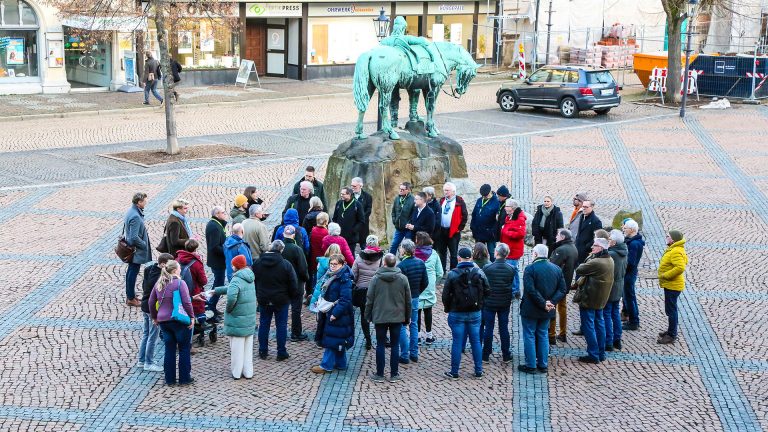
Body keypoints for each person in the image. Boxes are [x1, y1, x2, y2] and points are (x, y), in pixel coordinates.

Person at [518, 244, 567, 374]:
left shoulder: (530, 269)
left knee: (529, 335)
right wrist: (551, 302)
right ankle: (543, 364)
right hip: (547, 310)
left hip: (532, 309)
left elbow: (531, 290)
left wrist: (544, 303)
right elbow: (562, 289)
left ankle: (531, 365)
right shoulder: (556, 269)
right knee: (543, 334)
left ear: (535, 254)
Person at [442, 247, 490, 379]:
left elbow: (445, 295)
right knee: (476, 341)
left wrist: (448, 308)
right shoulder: (478, 272)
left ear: (459, 258)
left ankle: (454, 372)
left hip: (457, 312)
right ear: (471, 258)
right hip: (475, 312)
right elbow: (487, 290)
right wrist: (480, 304)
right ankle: (478, 370)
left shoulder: (452, 274)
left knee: (457, 342)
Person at [365, 253, 412, 383]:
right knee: (395, 345)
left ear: (384, 263)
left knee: (380, 344)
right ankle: (394, 374)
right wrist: (407, 317)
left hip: (380, 316)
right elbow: (408, 301)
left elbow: (369, 299)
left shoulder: (376, 279)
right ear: (395, 263)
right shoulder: (403, 279)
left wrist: (367, 315)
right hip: (397, 317)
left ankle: (380, 374)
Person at [149, 260, 195, 385]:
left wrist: (154, 317)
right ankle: (184, 378)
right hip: (178, 320)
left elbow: (151, 302)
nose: (180, 270)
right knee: (184, 349)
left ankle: (170, 379)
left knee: (169, 349)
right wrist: (191, 316)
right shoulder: (180, 283)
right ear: (175, 270)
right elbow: (186, 302)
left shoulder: (159, 283)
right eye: (179, 268)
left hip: (164, 321)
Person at [212, 255, 256, 379]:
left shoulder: (236, 279)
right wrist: (216, 291)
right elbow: (232, 289)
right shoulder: (249, 277)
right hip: (248, 318)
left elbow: (232, 297)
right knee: (247, 348)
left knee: (237, 349)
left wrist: (228, 310)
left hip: (237, 319)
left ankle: (236, 372)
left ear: (236, 266)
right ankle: (248, 372)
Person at [254, 241, 299, 360]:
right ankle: (281, 352)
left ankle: (263, 350)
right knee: (281, 326)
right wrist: (291, 296)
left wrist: (258, 294)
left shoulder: (258, 262)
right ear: (281, 250)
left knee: (264, 324)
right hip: (281, 299)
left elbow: (255, 280)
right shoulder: (286, 264)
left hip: (264, 298)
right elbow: (293, 284)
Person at [311, 254, 355, 374]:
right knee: (338, 338)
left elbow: (345, 299)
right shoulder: (332, 275)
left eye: (335, 264)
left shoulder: (344, 279)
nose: (333, 266)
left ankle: (326, 365)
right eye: (331, 264)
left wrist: (335, 313)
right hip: (334, 311)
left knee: (332, 339)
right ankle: (341, 363)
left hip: (339, 314)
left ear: (342, 264)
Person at [573, 238, 614, 364]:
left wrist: (591, 257)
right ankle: (601, 353)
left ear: (601, 248)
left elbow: (579, 269)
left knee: (588, 326)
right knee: (599, 325)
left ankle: (593, 354)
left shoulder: (596, 262)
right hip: (601, 299)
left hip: (590, 298)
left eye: (595, 245)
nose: (592, 247)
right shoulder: (610, 259)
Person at [481, 243, 517, 363]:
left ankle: (485, 355)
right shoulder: (511, 269)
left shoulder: (487, 268)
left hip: (489, 303)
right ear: (507, 254)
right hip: (504, 303)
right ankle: (506, 354)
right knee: (504, 329)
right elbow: (511, 285)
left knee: (488, 329)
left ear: (496, 253)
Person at [138, 253, 173, 372]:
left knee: (146, 334)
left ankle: (142, 360)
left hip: (145, 305)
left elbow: (144, 286)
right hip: (152, 308)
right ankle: (148, 362)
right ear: (162, 264)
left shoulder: (149, 269)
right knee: (152, 337)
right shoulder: (159, 277)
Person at [397, 239, 428, 364]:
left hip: (404, 299)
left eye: (401, 247)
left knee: (402, 325)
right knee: (414, 324)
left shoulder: (401, 266)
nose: (399, 249)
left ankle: (404, 355)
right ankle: (414, 353)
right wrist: (417, 293)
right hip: (415, 297)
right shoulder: (420, 263)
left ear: (404, 250)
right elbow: (425, 282)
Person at [351, 235, 384, 350]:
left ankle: (368, 340)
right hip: (375, 291)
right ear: (377, 244)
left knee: (364, 316)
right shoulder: (381, 258)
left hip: (362, 291)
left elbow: (353, 275)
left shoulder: (359, 258)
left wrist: (356, 283)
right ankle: (381, 338)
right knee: (377, 315)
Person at [657, 230, 688, 345]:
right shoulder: (674, 248)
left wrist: (666, 275)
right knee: (670, 310)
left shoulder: (675, 251)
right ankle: (671, 331)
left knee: (671, 311)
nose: (666, 237)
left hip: (673, 285)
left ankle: (671, 335)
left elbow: (680, 267)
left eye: (668, 236)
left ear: (673, 239)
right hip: (671, 285)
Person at [548, 228, 578, 344]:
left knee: (552, 307)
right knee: (562, 307)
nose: (556, 237)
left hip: (557, 284)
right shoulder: (573, 247)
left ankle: (551, 335)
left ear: (563, 237)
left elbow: (552, 266)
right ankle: (563, 333)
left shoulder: (561, 250)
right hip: (566, 282)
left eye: (557, 235)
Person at [176, 239, 208, 346]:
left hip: (180, 291)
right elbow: (203, 281)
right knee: (196, 313)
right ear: (196, 249)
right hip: (195, 292)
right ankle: (198, 334)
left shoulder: (178, 259)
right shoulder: (196, 263)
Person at [281, 225, 310, 342]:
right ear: (293, 235)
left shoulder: (280, 248)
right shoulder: (297, 249)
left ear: (283, 234)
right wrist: (306, 279)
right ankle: (296, 333)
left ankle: (281, 332)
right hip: (297, 283)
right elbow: (303, 269)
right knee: (296, 309)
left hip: (282, 283)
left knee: (282, 309)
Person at [414, 231, 443, 345]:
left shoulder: (413, 253)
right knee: (428, 310)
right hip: (429, 285)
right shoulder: (434, 254)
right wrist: (434, 281)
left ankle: (417, 336)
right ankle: (429, 336)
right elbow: (440, 273)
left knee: (417, 311)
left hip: (416, 284)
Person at [124, 192, 151, 307]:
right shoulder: (135, 216)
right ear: (139, 202)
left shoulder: (132, 211)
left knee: (131, 271)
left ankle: (131, 295)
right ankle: (130, 298)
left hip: (134, 249)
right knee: (132, 273)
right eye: (144, 201)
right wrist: (143, 245)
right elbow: (134, 237)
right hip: (136, 250)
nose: (146, 202)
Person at [312, 243, 342, 346]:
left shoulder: (321, 262)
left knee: (321, 316)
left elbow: (317, 275)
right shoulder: (337, 265)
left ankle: (318, 339)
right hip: (332, 292)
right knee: (330, 316)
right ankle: (327, 338)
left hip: (321, 290)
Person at [435, 182, 468, 271]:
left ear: (453, 191)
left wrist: (459, 229)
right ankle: (442, 271)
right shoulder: (442, 200)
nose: (445, 192)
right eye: (444, 190)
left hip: (453, 232)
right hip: (442, 231)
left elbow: (464, 216)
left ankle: (453, 271)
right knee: (442, 252)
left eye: (447, 190)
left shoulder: (459, 201)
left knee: (453, 254)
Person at [605, 229, 627, 351]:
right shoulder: (624, 251)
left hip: (611, 287)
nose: (608, 241)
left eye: (609, 240)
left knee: (607, 314)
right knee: (615, 313)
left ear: (613, 242)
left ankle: (608, 341)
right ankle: (617, 339)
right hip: (619, 286)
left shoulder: (612, 254)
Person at [622, 219, 645, 331]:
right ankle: (633, 319)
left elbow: (631, 262)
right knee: (630, 297)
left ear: (631, 230)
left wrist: (622, 268)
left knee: (629, 298)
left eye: (625, 228)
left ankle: (634, 321)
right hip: (630, 273)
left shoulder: (634, 244)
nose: (623, 229)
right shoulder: (633, 242)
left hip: (629, 275)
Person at [499, 198, 525, 296]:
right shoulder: (510, 216)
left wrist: (505, 231)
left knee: (512, 270)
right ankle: (515, 289)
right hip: (509, 248)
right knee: (513, 270)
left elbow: (520, 234)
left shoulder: (519, 218)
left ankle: (514, 291)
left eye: (507, 206)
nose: (505, 208)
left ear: (512, 208)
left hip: (513, 250)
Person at [205, 206, 228, 316]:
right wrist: (226, 251)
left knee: (218, 283)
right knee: (219, 284)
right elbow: (214, 247)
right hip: (217, 261)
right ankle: (211, 306)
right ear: (217, 214)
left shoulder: (216, 224)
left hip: (218, 261)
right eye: (223, 212)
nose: (225, 214)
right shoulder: (214, 227)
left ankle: (211, 305)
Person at [470, 184, 500, 259]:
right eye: (483, 196)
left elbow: (498, 218)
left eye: (486, 195)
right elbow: (474, 214)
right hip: (479, 232)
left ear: (490, 192)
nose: (485, 197)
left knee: (492, 253)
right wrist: (473, 227)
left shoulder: (496, 202)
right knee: (479, 253)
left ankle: (493, 266)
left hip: (490, 233)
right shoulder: (479, 200)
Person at [332, 186, 366, 251]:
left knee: (350, 255)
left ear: (349, 194)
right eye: (341, 194)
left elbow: (361, 221)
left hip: (351, 238)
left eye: (343, 194)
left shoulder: (357, 205)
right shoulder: (339, 203)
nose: (341, 195)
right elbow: (334, 218)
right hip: (339, 236)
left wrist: (354, 230)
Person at [308, 212, 330, 302]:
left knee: (314, 276)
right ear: (326, 221)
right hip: (323, 258)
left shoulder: (313, 230)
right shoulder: (326, 232)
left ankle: (312, 294)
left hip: (313, 257)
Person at [574, 199, 603, 264]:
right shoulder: (582, 216)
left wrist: (586, 247)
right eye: (583, 206)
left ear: (592, 207)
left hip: (586, 253)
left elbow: (597, 238)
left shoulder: (596, 221)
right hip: (577, 249)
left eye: (586, 207)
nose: (583, 208)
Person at [390, 182, 415, 254]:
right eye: (400, 189)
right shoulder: (397, 198)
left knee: (408, 247)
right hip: (399, 228)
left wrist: (408, 224)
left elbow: (413, 215)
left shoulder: (413, 200)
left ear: (408, 190)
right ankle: (390, 259)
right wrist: (394, 221)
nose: (400, 191)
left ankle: (407, 260)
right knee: (394, 245)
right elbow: (393, 211)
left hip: (408, 229)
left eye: (402, 189)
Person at [350, 177, 373, 251]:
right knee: (351, 247)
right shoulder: (349, 195)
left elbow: (368, 210)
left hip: (363, 225)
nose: (352, 188)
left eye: (354, 186)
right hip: (352, 225)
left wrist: (361, 219)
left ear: (361, 186)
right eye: (352, 186)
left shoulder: (368, 196)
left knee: (364, 246)